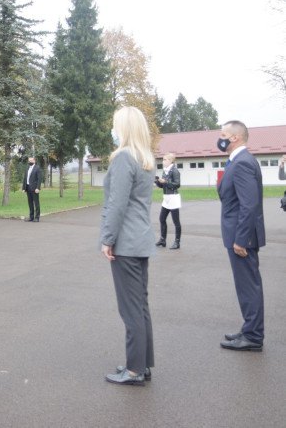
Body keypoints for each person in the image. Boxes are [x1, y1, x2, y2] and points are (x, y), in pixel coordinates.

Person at [100, 106, 156, 386]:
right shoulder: (145, 158)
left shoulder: (123, 157)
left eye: (115, 124)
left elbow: (117, 204)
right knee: (140, 306)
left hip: (126, 242)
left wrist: (107, 239)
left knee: (130, 309)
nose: (113, 129)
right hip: (141, 240)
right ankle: (142, 364)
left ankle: (134, 370)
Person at [217, 120, 266, 352]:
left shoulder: (242, 162)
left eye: (223, 134)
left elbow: (249, 204)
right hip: (238, 233)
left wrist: (241, 238)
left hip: (241, 237)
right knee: (246, 285)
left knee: (249, 286)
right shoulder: (238, 161)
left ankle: (253, 336)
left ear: (234, 138)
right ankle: (250, 329)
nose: (220, 138)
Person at [155, 153, 182, 249]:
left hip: (173, 198)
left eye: (165, 159)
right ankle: (163, 240)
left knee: (176, 222)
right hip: (166, 198)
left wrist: (166, 182)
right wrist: (157, 182)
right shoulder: (164, 171)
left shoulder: (175, 171)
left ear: (171, 161)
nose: (163, 161)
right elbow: (162, 186)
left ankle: (177, 242)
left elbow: (177, 184)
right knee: (162, 219)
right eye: (163, 159)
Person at [23, 157, 42, 222]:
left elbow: (39, 179)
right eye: (29, 161)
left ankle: (37, 217)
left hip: (34, 188)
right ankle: (31, 217)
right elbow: (25, 178)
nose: (29, 162)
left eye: (31, 161)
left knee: (36, 203)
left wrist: (38, 188)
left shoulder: (37, 168)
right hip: (28, 188)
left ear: (34, 161)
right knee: (30, 203)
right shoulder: (27, 168)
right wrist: (24, 188)